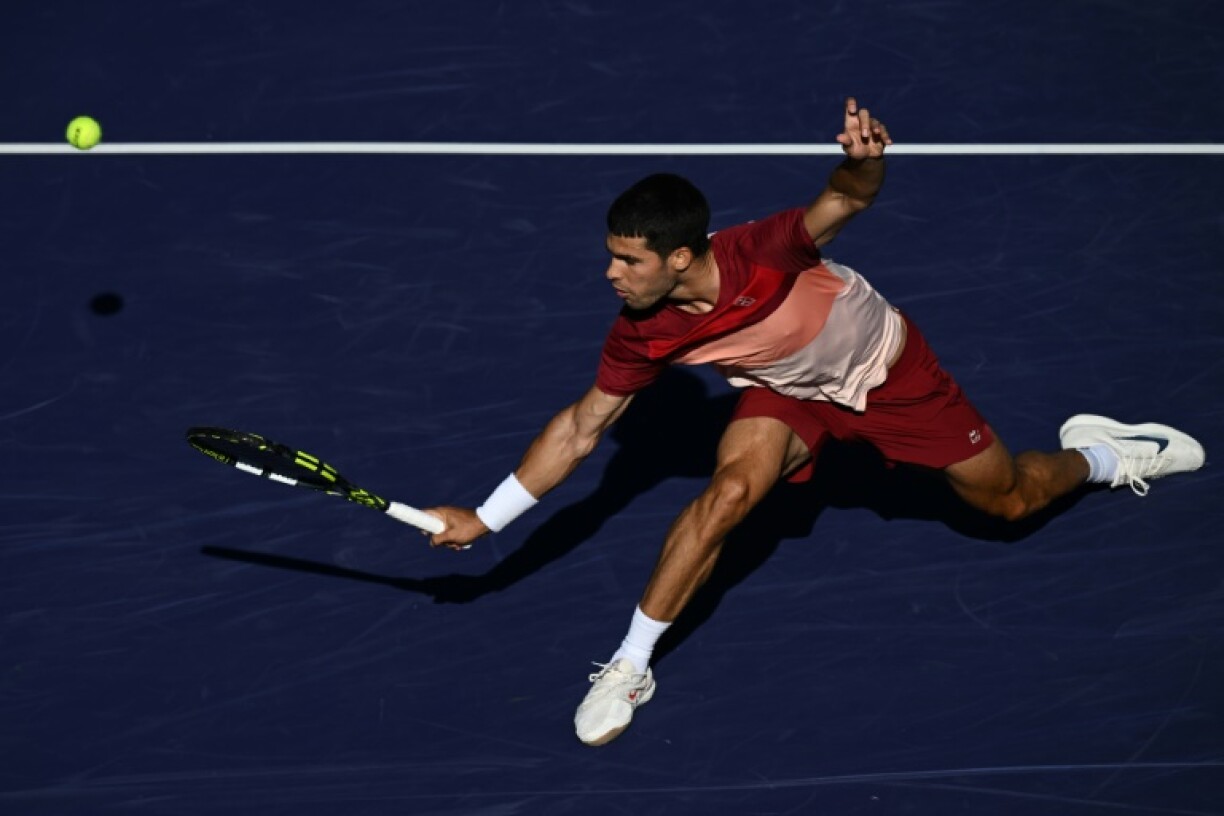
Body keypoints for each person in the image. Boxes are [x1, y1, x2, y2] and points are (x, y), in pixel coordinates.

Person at [423, 97, 1206, 746]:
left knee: (1007, 501)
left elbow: (849, 197)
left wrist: (866, 158)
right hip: (791, 395)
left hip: (893, 377)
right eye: (612, 255)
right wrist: (488, 519)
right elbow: (581, 426)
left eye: (629, 261)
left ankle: (1103, 456)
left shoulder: (766, 251)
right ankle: (631, 663)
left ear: (684, 258)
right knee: (729, 493)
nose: (611, 275)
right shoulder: (643, 328)